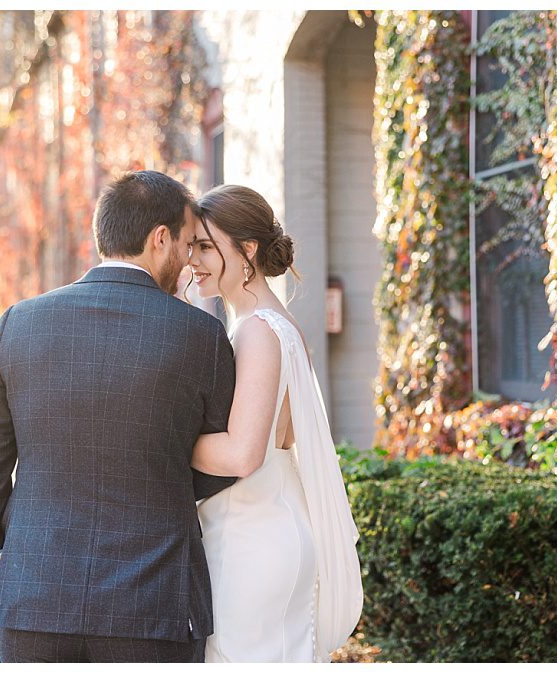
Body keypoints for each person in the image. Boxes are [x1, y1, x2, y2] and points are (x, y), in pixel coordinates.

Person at [0, 170, 238, 663]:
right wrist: (159, 478)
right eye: (186, 242)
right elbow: (220, 463)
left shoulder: (17, 324)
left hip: (34, 595)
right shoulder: (202, 336)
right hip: (154, 604)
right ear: (160, 239)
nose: (189, 258)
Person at [188, 184, 364, 662]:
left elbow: (245, 453)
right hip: (267, 530)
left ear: (245, 250)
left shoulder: (258, 332)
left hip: (252, 542)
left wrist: (159, 439)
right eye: (191, 247)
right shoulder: (268, 323)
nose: (193, 260)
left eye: (206, 245)